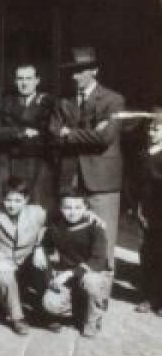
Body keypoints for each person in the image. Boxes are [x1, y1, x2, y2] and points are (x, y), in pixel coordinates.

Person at [52, 47, 124, 269]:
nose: (74, 77)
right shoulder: (63, 102)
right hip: (71, 179)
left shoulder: (113, 100)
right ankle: (72, 285)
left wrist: (70, 133)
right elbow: (53, 135)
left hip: (102, 181)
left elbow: (105, 137)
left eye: (80, 71)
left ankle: (100, 288)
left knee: (103, 238)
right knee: (72, 239)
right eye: (71, 72)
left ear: (94, 70)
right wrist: (90, 132)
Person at [37, 189, 110, 338]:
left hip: (91, 272)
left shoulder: (94, 227)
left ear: (86, 209)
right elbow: (46, 245)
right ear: (60, 208)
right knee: (49, 303)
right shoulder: (56, 227)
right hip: (69, 276)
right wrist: (39, 249)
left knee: (91, 282)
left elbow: (98, 259)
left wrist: (70, 273)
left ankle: (93, 318)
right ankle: (79, 309)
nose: (72, 212)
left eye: (78, 208)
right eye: (67, 207)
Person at [0, 62, 57, 210]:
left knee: (35, 209)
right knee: (6, 208)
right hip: (8, 165)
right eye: (20, 79)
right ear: (15, 81)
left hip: (37, 166)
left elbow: (50, 133)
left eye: (28, 78)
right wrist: (20, 132)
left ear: (37, 80)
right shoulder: (4, 103)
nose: (24, 83)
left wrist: (10, 130)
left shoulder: (48, 103)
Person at [0, 177, 47, 335]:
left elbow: (53, 224)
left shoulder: (37, 212)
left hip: (27, 261)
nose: (12, 205)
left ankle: (46, 312)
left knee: (44, 265)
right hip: (4, 260)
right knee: (4, 277)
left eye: (17, 200)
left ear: (26, 200)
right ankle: (17, 317)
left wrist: (39, 247)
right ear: (2, 199)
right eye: (8, 200)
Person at [134, 110, 162, 315]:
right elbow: (136, 185)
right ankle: (148, 296)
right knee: (148, 254)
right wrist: (137, 207)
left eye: (157, 129)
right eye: (150, 129)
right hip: (148, 210)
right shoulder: (143, 154)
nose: (151, 133)